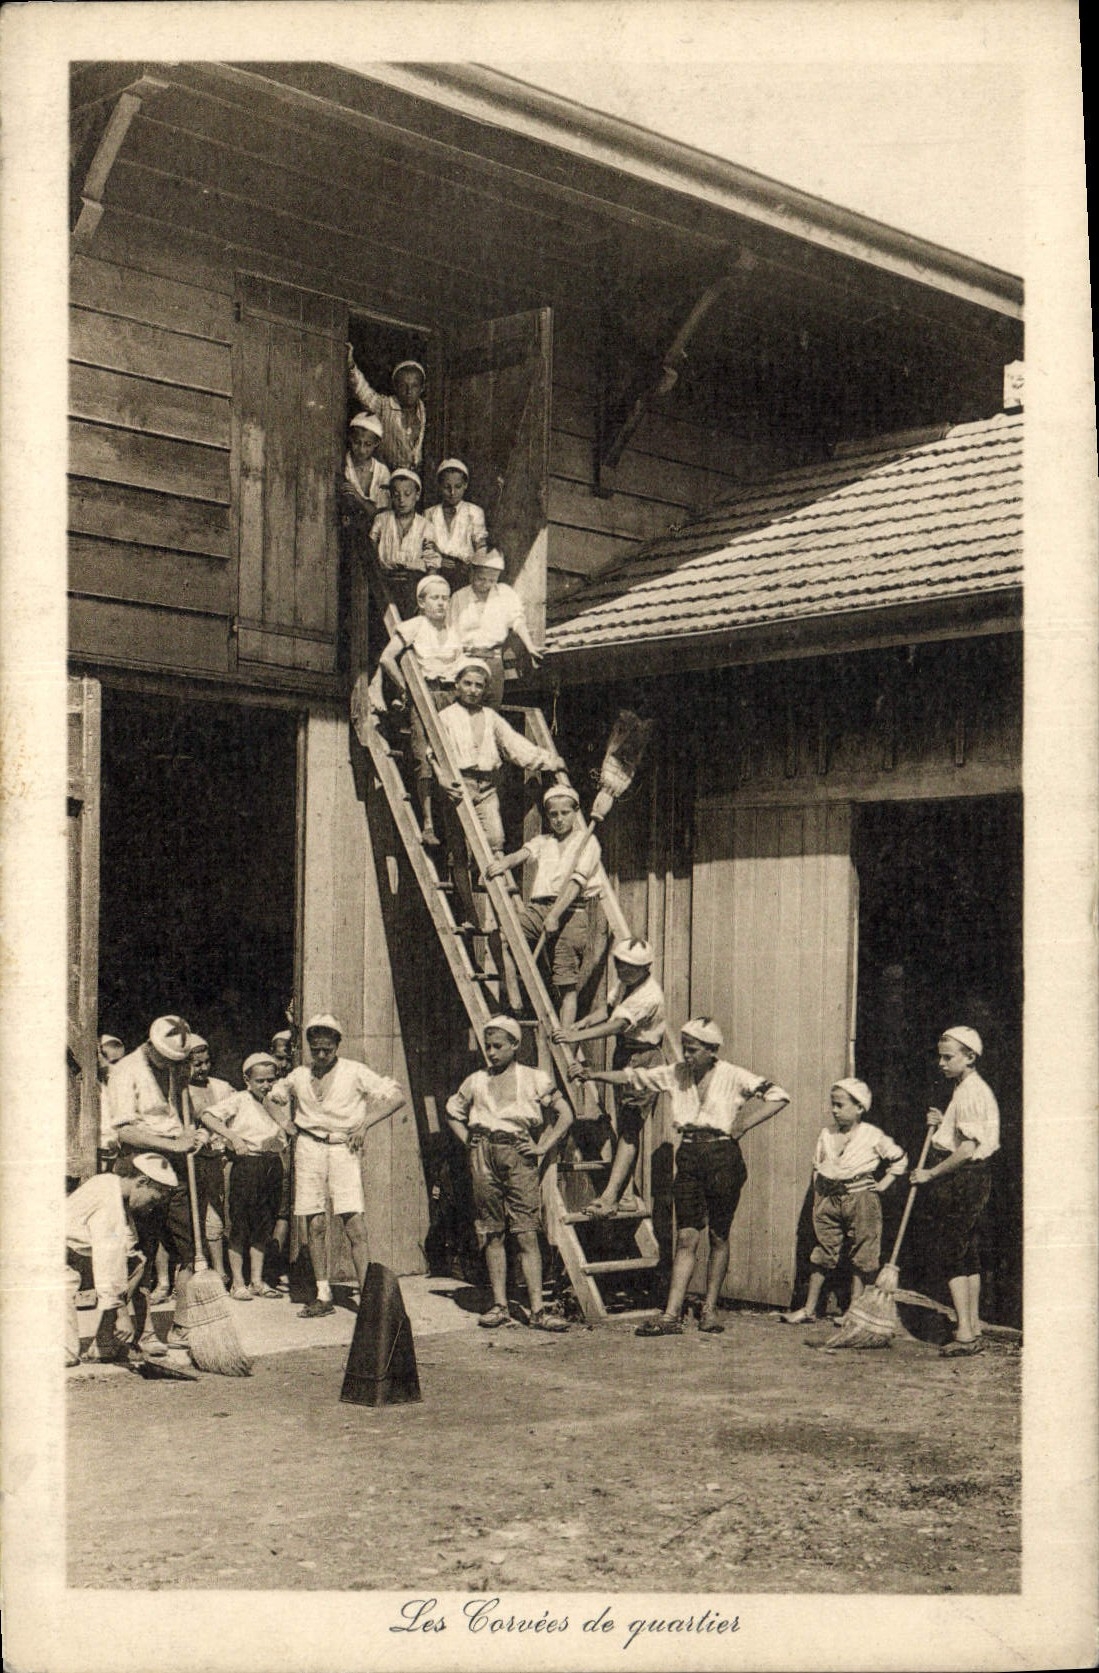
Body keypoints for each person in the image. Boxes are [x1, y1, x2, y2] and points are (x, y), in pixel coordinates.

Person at [575, 1018, 789, 1336]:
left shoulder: (733, 1075)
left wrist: (743, 1124)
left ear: (711, 1050)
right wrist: (594, 1074)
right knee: (687, 1236)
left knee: (718, 1235)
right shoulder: (677, 1073)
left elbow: (779, 1095)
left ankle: (710, 1310)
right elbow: (635, 1077)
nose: (687, 1056)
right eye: (685, 1049)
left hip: (722, 1158)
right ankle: (672, 1314)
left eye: (693, 1050)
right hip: (688, 1156)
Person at [268, 1015, 406, 1318]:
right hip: (308, 1149)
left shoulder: (355, 1072)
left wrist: (365, 1124)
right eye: (315, 1049)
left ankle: (369, 1297)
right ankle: (323, 1293)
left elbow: (396, 1097)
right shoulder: (298, 1075)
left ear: (337, 1046)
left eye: (326, 1050)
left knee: (353, 1223)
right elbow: (272, 1097)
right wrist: (285, 1124)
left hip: (342, 1149)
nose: (320, 1056)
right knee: (314, 1224)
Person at [446, 1016, 573, 1331]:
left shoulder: (533, 1078)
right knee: (492, 1232)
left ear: (516, 1045)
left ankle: (538, 1310)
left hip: (518, 1154)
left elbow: (566, 1115)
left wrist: (542, 1147)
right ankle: (500, 1305)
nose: (491, 1052)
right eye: (487, 1046)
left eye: (498, 1046)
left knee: (527, 1232)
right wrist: (469, 1142)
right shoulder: (475, 1080)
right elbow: (452, 1112)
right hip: (483, 1156)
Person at [103, 1015, 208, 1345]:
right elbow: (124, 1130)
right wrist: (172, 1143)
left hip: (177, 1163)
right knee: (142, 1253)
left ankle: (181, 1326)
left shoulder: (177, 1069)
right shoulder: (126, 1071)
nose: (173, 1064)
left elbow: (180, 1112)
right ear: (152, 1046)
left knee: (188, 1247)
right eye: (168, 1058)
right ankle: (143, 1332)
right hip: (140, 1165)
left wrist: (190, 1136)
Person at [553, 938, 666, 1215]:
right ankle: (625, 1196)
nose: (623, 970)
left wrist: (575, 1035)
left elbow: (616, 1025)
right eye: (620, 963)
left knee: (629, 1130)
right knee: (625, 1126)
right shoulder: (626, 982)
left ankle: (610, 1199)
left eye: (631, 967)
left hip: (643, 1059)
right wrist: (583, 1021)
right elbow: (609, 1009)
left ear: (646, 967)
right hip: (625, 1053)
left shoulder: (648, 995)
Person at [781, 1078, 907, 1325]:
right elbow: (817, 1165)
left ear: (859, 1108)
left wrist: (882, 1185)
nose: (834, 1110)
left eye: (840, 1105)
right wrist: (819, 1197)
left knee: (862, 1253)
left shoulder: (872, 1135)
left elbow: (899, 1160)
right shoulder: (826, 1134)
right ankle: (809, 1309)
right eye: (833, 1105)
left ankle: (853, 1311)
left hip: (860, 1198)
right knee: (823, 1251)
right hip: (829, 1197)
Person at [910, 1026, 1000, 1357]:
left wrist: (930, 1174)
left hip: (964, 1180)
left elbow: (966, 1149)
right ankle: (972, 1326)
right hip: (972, 1180)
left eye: (948, 1057)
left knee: (951, 1254)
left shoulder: (971, 1092)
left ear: (971, 1057)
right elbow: (958, 1134)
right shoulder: (965, 1089)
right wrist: (942, 1120)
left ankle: (964, 1333)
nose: (941, 1063)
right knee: (966, 1255)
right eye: (940, 1056)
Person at [486, 784, 602, 1028]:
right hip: (539, 909)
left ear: (575, 812)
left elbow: (575, 884)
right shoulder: (544, 841)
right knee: (502, 935)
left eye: (565, 813)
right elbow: (523, 854)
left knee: (565, 983)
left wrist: (556, 915)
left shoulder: (588, 843)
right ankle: (515, 1003)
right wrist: (504, 863)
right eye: (553, 814)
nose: (559, 819)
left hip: (571, 911)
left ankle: (564, 1040)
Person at [371, 572, 463, 846]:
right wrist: (405, 689)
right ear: (422, 602)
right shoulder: (414, 626)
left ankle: (452, 825)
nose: (441, 604)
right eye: (435, 598)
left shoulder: (453, 631)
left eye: (445, 599)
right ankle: (427, 823)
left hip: (450, 695)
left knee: (452, 757)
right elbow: (387, 659)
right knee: (424, 757)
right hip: (424, 695)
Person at [65, 1154, 178, 1365]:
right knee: (66, 1356)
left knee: (135, 1262)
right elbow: (107, 1261)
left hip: (72, 1257)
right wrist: (123, 1316)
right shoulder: (109, 1199)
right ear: (142, 1182)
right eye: (152, 1199)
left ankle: (105, 1343)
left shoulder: (111, 1186)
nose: (151, 1207)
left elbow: (126, 1250)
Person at [202, 1054, 295, 1300]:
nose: (265, 1085)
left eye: (270, 1080)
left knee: (263, 1225)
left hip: (271, 1164)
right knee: (239, 1225)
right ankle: (238, 1282)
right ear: (247, 1080)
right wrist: (233, 1137)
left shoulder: (276, 1101)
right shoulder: (238, 1100)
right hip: (246, 1165)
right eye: (260, 1081)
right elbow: (207, 1116)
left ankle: (257, 1280)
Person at [447, 551, 543, 708]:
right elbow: (451, 633)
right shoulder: (459, 597)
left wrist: (530, 646)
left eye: (492, 580)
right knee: (465, 709)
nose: (485, 584)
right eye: (481, 579)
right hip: (467, 659)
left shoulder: (505, 594)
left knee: (491, 710)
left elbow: (518, 621)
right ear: (472, 573)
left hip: (494, 661)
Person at [185, 1034, 235, 1286]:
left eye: (206, 1062)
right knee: (188, 1213)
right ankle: (187, 1272)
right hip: (188, 1161)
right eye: (197, 1064)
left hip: (216, 1159)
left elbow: (232, 1117)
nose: (203, 1068)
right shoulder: (179, 1089)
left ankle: (220, 1270)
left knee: (215, 1212)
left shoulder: (222, 1088)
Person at [347, 351, 426, 472]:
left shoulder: (423, 410)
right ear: (395, 387)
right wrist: (351, 366)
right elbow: (363, 391)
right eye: (403, 385)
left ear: (422, 388)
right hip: (387, 474)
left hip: (413, 477)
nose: (409, 391)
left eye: (414, 386)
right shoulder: (385, 406)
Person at [370, 468, 431, 618]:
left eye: (407, 494)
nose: (401, 500)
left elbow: (432, 561)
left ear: (417, 495)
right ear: (391, 497)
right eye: (396, 495)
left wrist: (427, 592)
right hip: (385, 583)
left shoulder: (426, 526)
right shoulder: (382, 520)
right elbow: (371, 548)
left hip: (413, 585)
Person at [422, 458, 489, 576]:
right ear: (439, 486)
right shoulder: (430, 513)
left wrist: (474, 566)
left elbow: (480, 546)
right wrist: (438, 561)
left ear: (465, 485)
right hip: (437, 569)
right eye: (446, 487)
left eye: (457, 486)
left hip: (465, 570)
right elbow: (427, 546)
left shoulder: (474, 512)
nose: (452, 492)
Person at [340, 412, 391, 519]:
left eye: (368, 444)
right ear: (350, 439)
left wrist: (358, 497)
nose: (362, 450)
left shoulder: (382, 472)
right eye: (357, 442)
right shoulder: (342, 465)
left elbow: (382, 515)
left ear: (376, 443)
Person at [96, 1034, 126, 1171]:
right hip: (97, 1149)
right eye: (112, 1062)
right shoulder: (94, 1087)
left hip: (113, 1152)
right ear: (99, 1057)